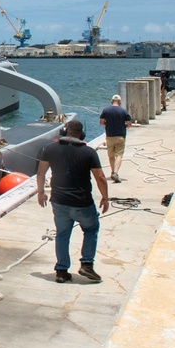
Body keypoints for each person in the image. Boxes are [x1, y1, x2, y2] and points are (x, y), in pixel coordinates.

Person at [37, 119, 109, 283]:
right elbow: (101, 178)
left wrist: (41, 193)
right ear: (81, 134)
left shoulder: (50, 149)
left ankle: (61, 270)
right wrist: (105, 197)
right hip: (82, 202)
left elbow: (40, 173)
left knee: (62, 234)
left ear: (64, 132)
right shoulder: (89, 152)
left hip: (59, 201)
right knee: (91, 229)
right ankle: (87, 264)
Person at [99, 94, 133, 183]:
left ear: (111, 101)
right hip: (120, 136)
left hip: (110, 136)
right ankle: (115, 172)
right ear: (120, 102)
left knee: (111, 156)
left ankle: (112, 171)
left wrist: (108, 124)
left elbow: (102, 122)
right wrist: (123, 125)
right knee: (119, 155)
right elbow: (129, 124)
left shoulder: (106, 110)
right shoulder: (123, 111)